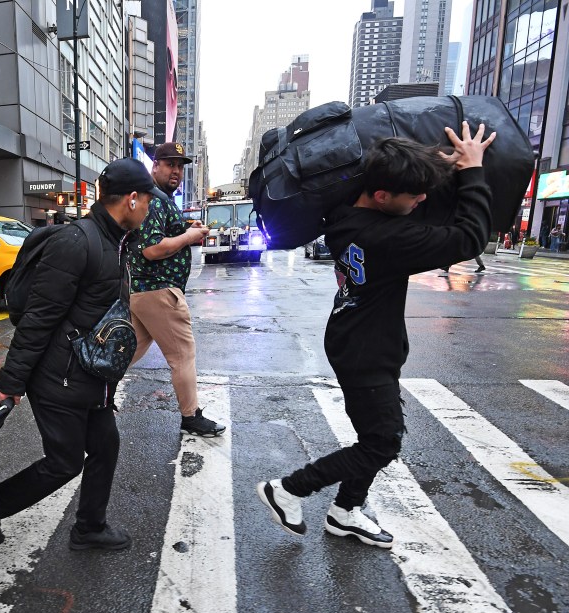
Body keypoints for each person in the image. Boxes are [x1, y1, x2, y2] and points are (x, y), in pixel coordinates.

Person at [257, 122, 495, 549]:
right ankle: (289, 489)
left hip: (357, 338)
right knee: (383, 442)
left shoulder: (347, 215)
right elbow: (471, 237)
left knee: (376, 435)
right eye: (414, 195)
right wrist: (472, 169)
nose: (422, 200)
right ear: (382, 196)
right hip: (365, 350)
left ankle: (346, 511)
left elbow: (410, 204)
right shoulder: (389, 235)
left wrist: (439, 169)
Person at [0, 158, 164, 551]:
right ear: (131, 199)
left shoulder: (115, 241)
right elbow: (38, 319)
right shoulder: (77, 243)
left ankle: (89, 527)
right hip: (59, 378)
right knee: (65, 461)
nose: (148, 209)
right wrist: (11, 382)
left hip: (90, 377)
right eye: (147, 201)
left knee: (105, 447)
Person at [127, 142, 225, 437]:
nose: (177, 171)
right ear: (155, 166)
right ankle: (191, 416)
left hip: (145, 292)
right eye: (170, 164)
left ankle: (88, 393)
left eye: (180, 166)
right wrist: (190, 235)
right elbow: (152, 249)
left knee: (127, 350)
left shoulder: (158, 199)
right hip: (159, 292)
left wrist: (185, 228)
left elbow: (161, 235)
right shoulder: (155, 200)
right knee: (183, 355)